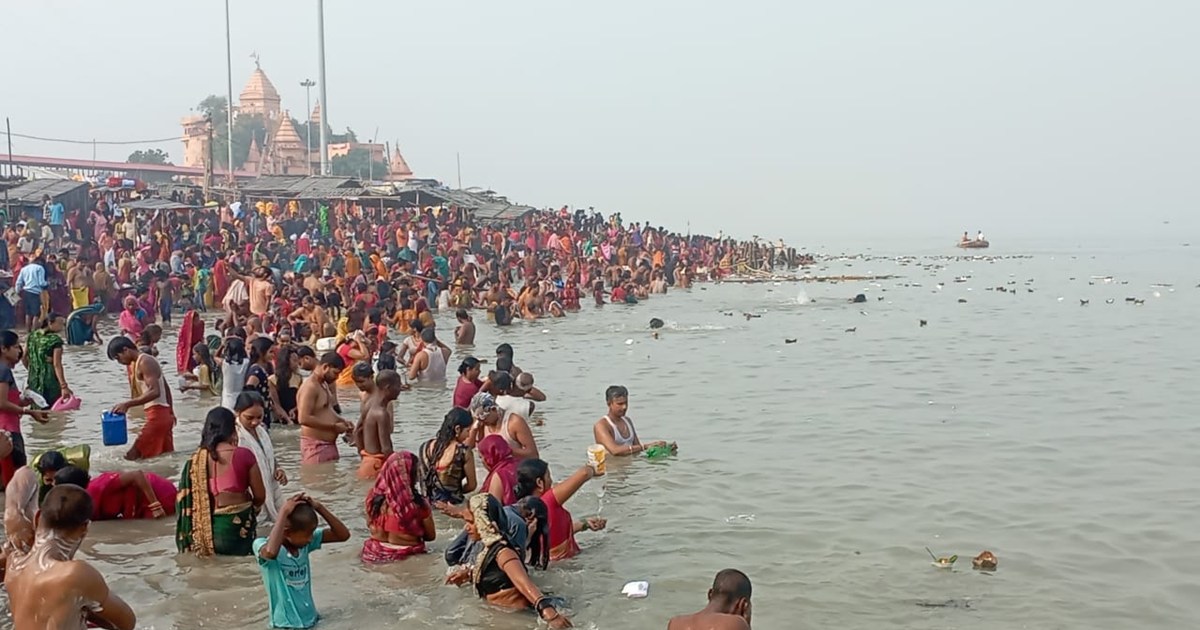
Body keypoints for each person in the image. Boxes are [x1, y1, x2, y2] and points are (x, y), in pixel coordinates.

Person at [5, 484, 137, 630]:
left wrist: (12, 511)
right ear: (85, 527)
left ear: (37, 518)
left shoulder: (14, 563)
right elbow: (127, 622)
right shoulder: (76, 574)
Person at [455, 494, 571, 628]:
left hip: (523, 616)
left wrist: (550, 614)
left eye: (471, 522)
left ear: (484, 522)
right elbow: (496, 574)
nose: (466, 528)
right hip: (504, 614)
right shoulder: (489, 548)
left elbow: (523, 583)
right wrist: (469, 575)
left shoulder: (503, 553)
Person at [176, 406, 266, 556]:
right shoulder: (244, 455)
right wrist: (254, 509)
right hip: (238, 528)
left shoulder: (194, 461)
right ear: (233, 429)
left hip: (207, 533)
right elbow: (260, 496)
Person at [254, 493, 351, 629]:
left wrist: (319, 507)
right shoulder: (262, 545)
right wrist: (283, 512)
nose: (311, 539)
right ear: (287, 533)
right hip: (285, 625)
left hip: (312, 619)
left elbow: (343, 535)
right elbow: (270, 553)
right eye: (307, 535)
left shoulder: (304, 546)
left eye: (312, 534)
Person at [514, 458, 606, 561]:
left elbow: (555, 535)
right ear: (540, 483)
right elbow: (584, 473)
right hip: (571, 564)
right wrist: (594, 467)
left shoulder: (523, 511)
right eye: (548, 476)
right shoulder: (547, 502)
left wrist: (584, 524)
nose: (551, 481)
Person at [107, 336, 175, 461]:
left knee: (132, 456)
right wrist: (171, 412)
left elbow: (155, 391)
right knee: (163, 457)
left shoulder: (144, 362)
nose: (120, 362)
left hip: (158, 415)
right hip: (162, 414)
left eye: (118, 358)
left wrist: (127, 404)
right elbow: (166, 388)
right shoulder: (142, 361)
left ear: (126, 349)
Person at [362, 451, 435, 563]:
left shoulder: (372, 499)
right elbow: (430, 536)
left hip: (372, 555)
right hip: (406, 558)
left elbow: (368, 523)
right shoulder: (418, 504)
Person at [0, 330, 49, 485]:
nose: (19, 350)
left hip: (5, 429)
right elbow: (1, 403)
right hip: (8, 431)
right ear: (3, 348)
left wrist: (22, 401)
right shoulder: (3, 371)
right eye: (15, 346)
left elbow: (6, 400)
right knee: (16, 481)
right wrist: (28, 411)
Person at [235, 391, 287, 524]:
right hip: (252, 493)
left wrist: (278, 468)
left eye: (259, 417)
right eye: (249, 417)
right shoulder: (235, 437)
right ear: (237, 412)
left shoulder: (262, 430)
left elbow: (268, 455)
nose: (255, 422)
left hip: (270, 486)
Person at [4, 450, 69, 553]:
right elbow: (12, 512)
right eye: (49, 480)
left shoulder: (70, 482)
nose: (53, 485)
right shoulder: (28, 476)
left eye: (56, 480)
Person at [296, 351, 352, 464]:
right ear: (326, 367)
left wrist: (343, 421)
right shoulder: (310, 387)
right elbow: (303, 418)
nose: (336, 378)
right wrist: (333, 427)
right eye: (335, 373)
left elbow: (326, 410)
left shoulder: (323, 384)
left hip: (328, 445)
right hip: (315, 447)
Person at [592, 385, 675, 457]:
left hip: (631, 468)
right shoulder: (601, 425)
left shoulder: (627, 421)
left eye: (626, 403)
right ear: (609, 404)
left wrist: (663, 449)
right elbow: (615, 451)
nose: (624, 407)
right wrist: (646, 446)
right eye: (620, 404)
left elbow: (638, 449)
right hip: (613, 470)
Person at [420, 408, 477, 504]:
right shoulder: (464, 452)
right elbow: (472, 485)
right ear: (457, 429)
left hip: (428, 506)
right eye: (468, 431)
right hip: (453, 507)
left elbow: (423, 480)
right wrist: (455, 492)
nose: (468, 436)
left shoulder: (425, 447)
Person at [667, 569, 753, 630]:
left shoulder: (675, 623)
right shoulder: (736, 623)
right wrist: (746, 623)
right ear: (743, 604)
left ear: (710, 594)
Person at [80, 466, 175, 521]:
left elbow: (137, 475)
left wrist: (155, 506)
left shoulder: (100, 488)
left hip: (157, 494)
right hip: (138, 506)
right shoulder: (85, 508)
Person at [356, 369, 403, 479]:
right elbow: (386, 449)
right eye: (398, 386)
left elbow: (357, 431)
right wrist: (398, 469)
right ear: (387, 388)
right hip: (376, 466)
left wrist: (364, 455)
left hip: (367, 463)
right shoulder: (382, 413)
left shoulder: (369, 403)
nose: (400, 389)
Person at [469, 391, 539, 459]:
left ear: (494, 409)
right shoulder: (481, 422)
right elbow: (469, 448)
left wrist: (507, 450)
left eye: (484, 419)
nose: (482, 422)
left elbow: (533, 454)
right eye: (479, 419)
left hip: (514, 467)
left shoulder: (514, 422)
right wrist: (473, 431)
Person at [25, 313, 72, 407]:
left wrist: (33, 369)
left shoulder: (32, 336)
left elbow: (23, 356)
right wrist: (64, 386)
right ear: (50, 323)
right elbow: (57, 364)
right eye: (60, 323)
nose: (62, 327)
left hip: (33, 381)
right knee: (54, 408)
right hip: (50, 382)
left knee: (37, 408)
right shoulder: (55, 340)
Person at [245, 336, 279, 427]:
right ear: (261, 352)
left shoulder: (261, 369)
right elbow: (249, 388)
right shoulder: (257, 371)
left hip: (263, 413)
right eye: (270, 352)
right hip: (259, 416)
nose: (273, 355)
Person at [479, 434, 520, 505]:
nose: (482, 461)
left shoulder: (499, 475)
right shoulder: (522, 464)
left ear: (489, 458)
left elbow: (494, 509)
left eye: (481, 457)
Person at [15, 255, 47, 331]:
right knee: (36, 314)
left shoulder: (24, 269)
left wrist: (16, 292)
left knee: (28, 313)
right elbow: (41, 283)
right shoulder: (40, 268)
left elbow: (19, 282)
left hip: (26, 292)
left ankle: (27, 330)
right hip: (35, 292)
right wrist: (47, 283)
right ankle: (34, 331)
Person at [219, 337, 250, 411]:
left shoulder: (225, 364)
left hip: (227, 400)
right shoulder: (246, 362)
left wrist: (222, 345)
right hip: (241, 398)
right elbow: (248, 354)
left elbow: (215, 357)